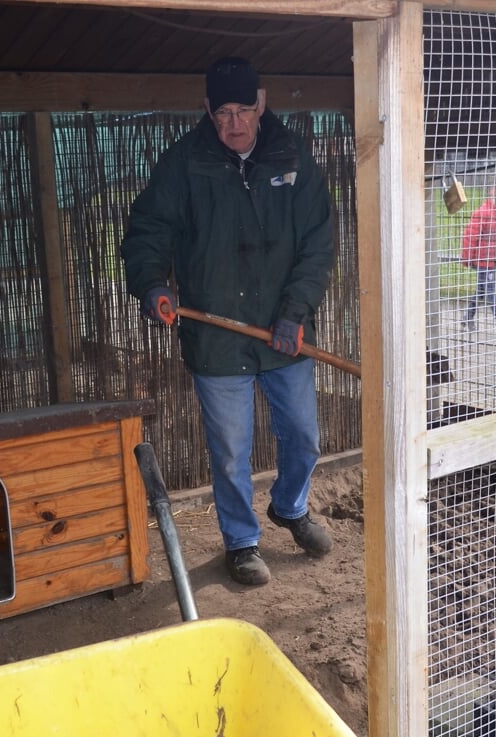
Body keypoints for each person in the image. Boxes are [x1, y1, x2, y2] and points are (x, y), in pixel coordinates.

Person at [122, 57, 336, 588]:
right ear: (207, 111)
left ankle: (290, 505)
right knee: (232, 449)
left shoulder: (292, 157)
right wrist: (152, 285)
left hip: (281, 334)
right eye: (222, 113)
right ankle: (241, 542)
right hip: (217, 337)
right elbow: (147, 229)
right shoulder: (183, 164)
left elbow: (318, 243)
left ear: (262, 104)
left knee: (305, 437)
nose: (234, 123)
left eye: (243, 110)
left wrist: (294, 311)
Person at [460, 175, 496, 337]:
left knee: (481, 291)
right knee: (495, 293)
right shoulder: (483, 212)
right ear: (493, 191)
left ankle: (468, 317)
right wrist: (467, 258)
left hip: (493, 260)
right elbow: (470, 236)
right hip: (483, 261)